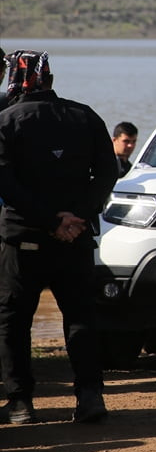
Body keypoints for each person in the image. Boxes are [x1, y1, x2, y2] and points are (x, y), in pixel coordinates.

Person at [0, 50, 118, 424]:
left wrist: (50, 220)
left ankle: (20, 402)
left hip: (24, 239)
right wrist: (77, 216)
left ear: (14, 80)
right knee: (80, 316)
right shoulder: (85, 116)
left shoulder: (6, 121)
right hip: (75, 239)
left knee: (14, 321)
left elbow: (6, 183)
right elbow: (107, 172)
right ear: (49, 79)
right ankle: (89, 396)